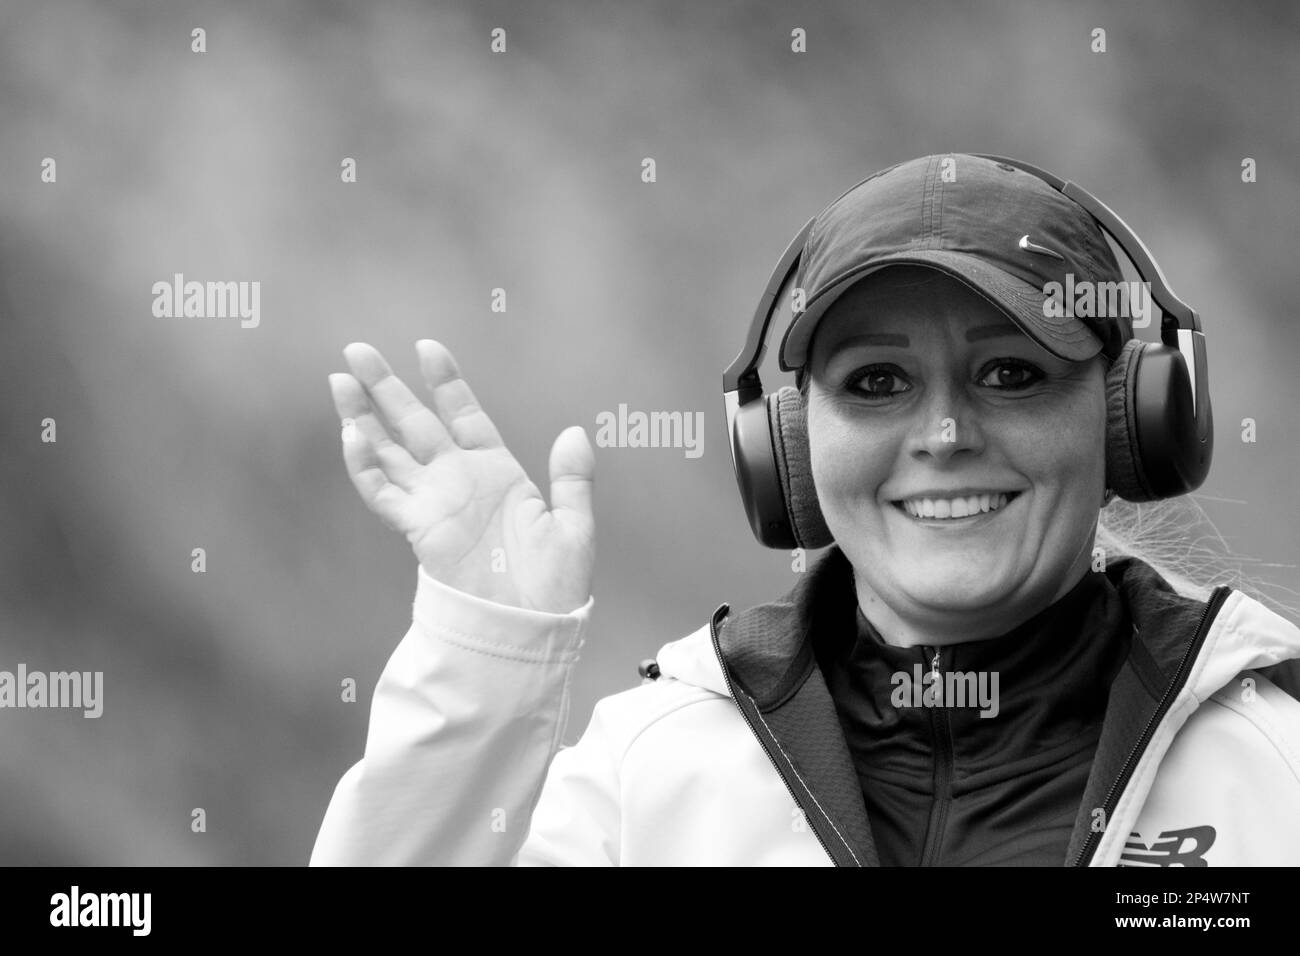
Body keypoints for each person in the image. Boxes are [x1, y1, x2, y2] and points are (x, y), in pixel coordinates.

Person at [310, 154, 1300, 866]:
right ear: (784, 446)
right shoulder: (649, 770)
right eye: (876, 382)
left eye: (1010, 372)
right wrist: (488, 664)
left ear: (1131, 418)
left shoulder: (1277, 761)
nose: (944, 432)